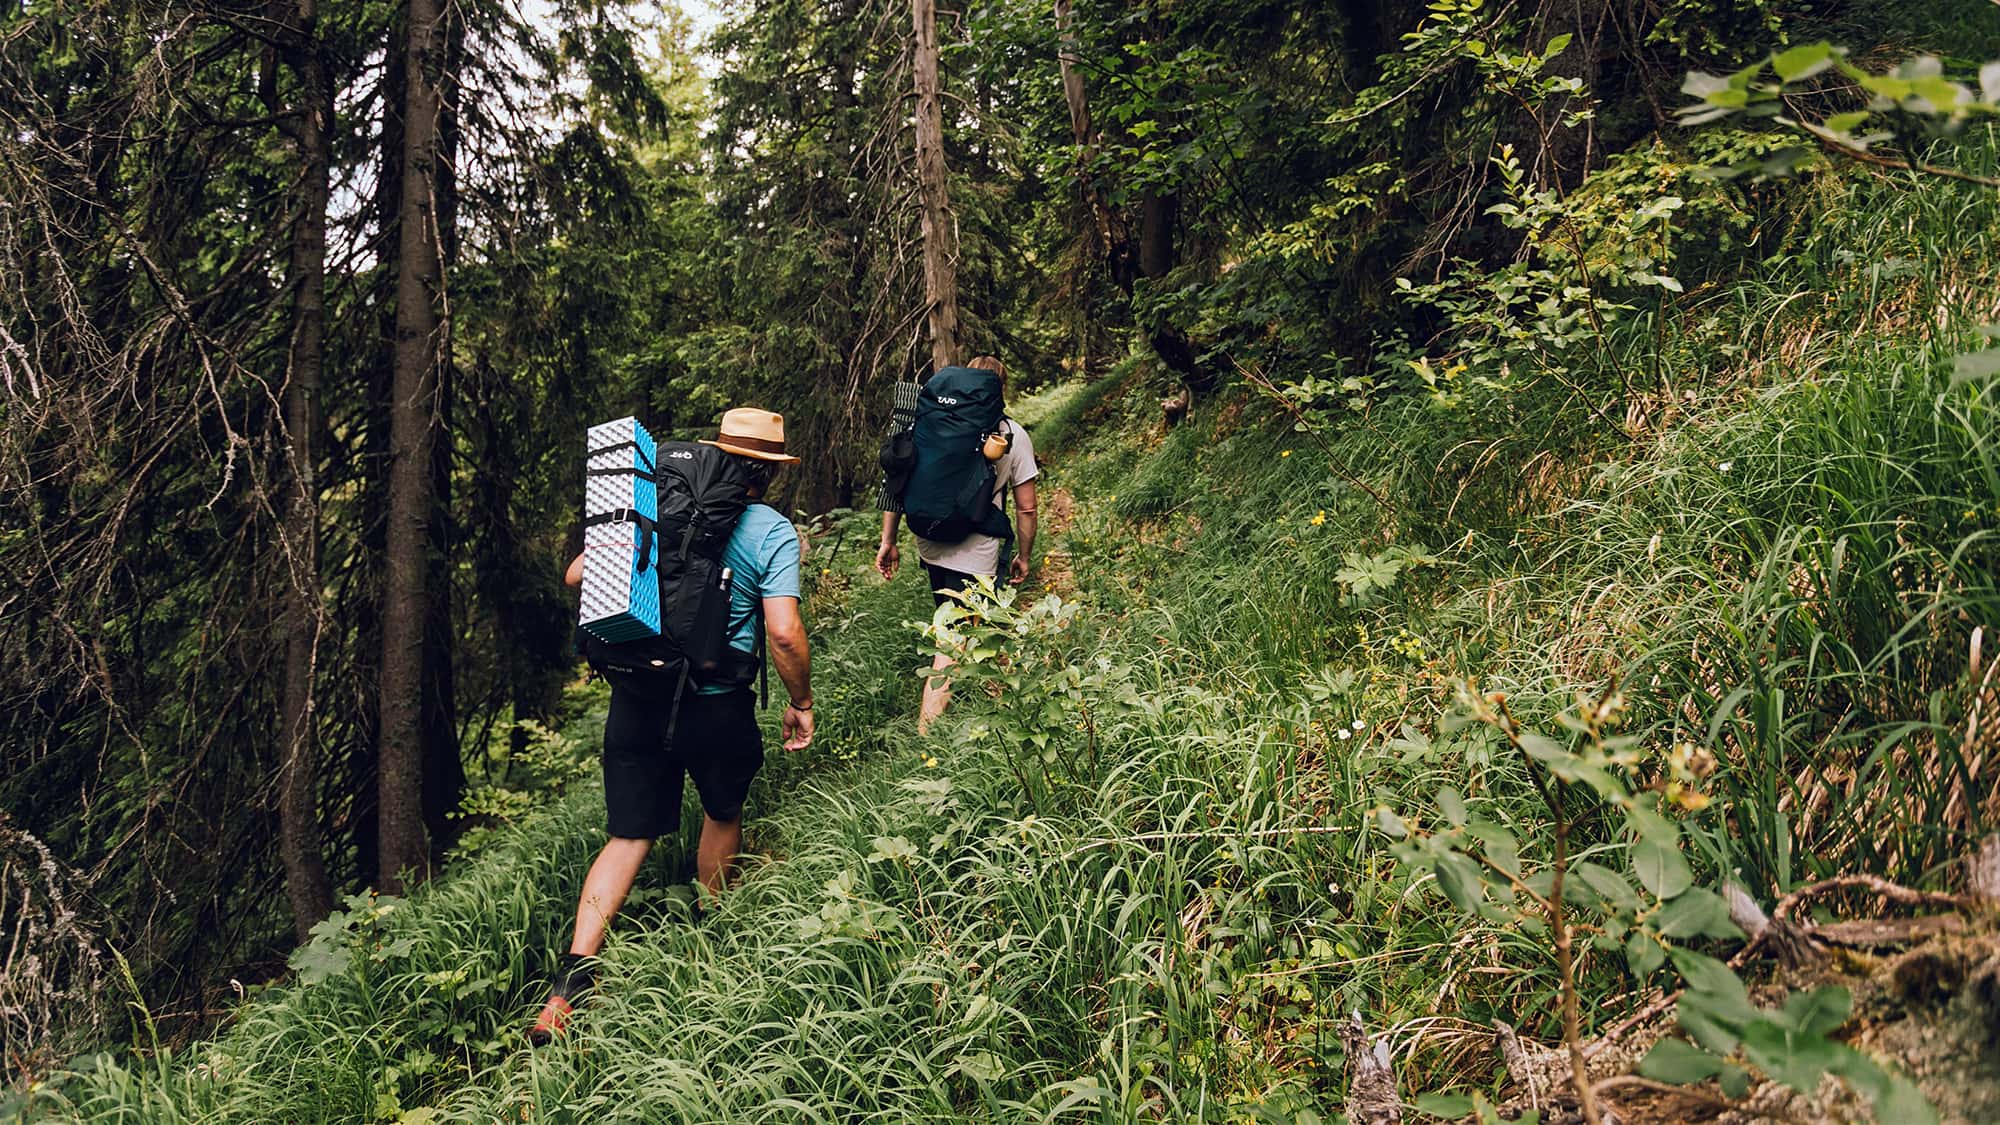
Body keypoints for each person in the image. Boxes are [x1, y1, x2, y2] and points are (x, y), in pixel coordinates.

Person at [532, 408, 815, 1045]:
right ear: (765, 474)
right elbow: (784, 633)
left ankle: (570, 984)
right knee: (720, 814)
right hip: (717, 700)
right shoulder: (770, 529)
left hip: (639, 695)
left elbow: (578, 576)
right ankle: (715, 941)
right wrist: (800, 700)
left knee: (628, 835)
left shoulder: (651, 503)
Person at [875, 356, 1038, 734]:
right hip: (978, 548)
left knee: (964, 623)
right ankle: (926, 735)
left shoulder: (925, 424)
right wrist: (1024, 556)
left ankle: (997, 697)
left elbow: (896, 483)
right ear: (1000, 390)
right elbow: (1026, 508)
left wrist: (888, 540)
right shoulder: (1010, 434)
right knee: (953, 636)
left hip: (930, 539)